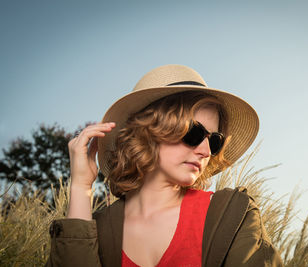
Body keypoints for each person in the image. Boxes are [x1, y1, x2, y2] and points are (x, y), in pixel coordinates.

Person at [46, 65, 283, 267]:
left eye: (214, 140)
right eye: (193, 132)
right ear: (147, 132)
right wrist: (80, 188)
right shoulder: (93, 228)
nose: (206, 151)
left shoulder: (232, 214)